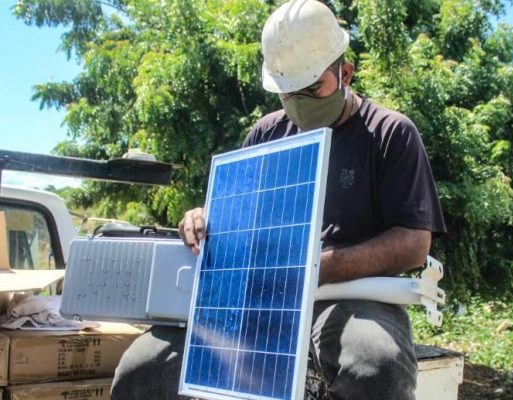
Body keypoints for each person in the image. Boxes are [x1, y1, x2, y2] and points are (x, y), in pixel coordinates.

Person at [110, 1, 446, 399]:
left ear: (345, 73)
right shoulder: (267, 134)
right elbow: (235, 220)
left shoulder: (390, 133)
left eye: (313, 89)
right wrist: (203, 218)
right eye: (289, 92)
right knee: (143, 368)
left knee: (377, 364)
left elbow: (413, 242)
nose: (300, 102)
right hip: (260, 294)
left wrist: (316, 268)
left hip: (350, 295)